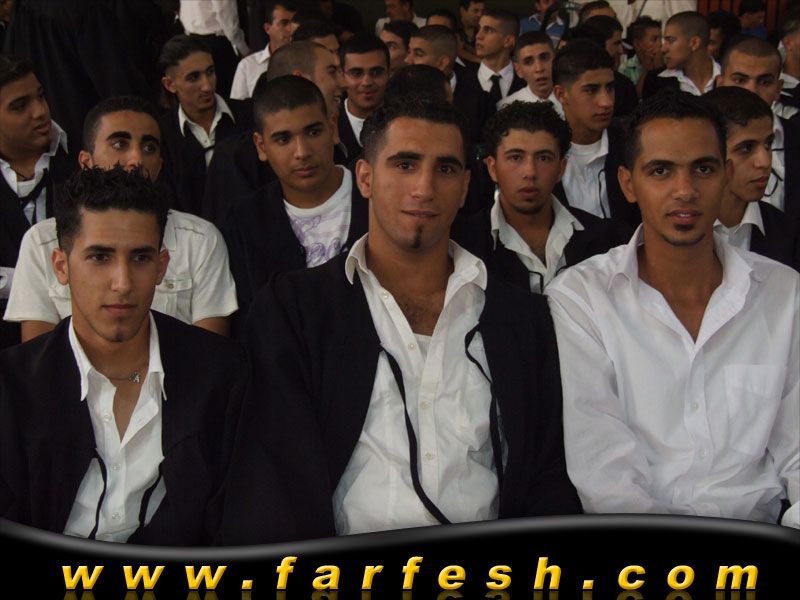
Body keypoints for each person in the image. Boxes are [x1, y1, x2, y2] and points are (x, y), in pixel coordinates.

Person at [219, 95, 581, 544]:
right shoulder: (295, 311)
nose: (424, 188)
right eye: (405, 164)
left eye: (445, 169)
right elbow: (271, 479)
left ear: (465, 187)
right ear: (365, 177)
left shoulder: (522, 320)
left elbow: (548, 475)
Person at [548, 92, 799, 528]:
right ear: (628, 184)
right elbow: (605, 474)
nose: (685, 191)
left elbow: (796, 450)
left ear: (725, 175)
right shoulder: (582, 298)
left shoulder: (782, 293)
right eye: (661, 171)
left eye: (703, 169)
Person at [0, 166, 247, 544]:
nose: (123, 282)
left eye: (140, 258)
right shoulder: (12, 388)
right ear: (61, 267)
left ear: (162, 266)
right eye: (100, 257)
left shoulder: (222, 376)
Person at [4, 95, 237, 341]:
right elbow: (39, 356)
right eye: (119, 144)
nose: (136, 159)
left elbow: (209, 353)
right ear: (86, 162)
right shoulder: (41, 242)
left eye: (149, 148)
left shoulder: (200, 240)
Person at [222, 75, 366, 335]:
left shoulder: (375, 198)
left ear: (333, 128)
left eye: (313, 132)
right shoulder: (245, 223)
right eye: (283, 139)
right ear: (261, 146)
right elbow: (252, 326)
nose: (302, 152)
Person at [454, 101, 632, 294]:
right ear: (492, 168)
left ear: (561, 169)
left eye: (543, 158)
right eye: (515, 157)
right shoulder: (462, 245)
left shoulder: (608, 240)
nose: (530, 172)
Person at [203, 39, 347, 226]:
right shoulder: (235, 158)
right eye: (332, 72)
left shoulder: (348, 140)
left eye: (314, 133)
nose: (343, 82)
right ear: (261, 146)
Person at [0, 55, 75, 348]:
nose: (40, 112)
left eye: (40, 96)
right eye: (20, 106)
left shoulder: (84, 156)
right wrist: (31, 280)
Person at [703, 86, 799, 270]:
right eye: (746, 148)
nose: (764, 161)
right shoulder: (676, 227)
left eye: (768, 144)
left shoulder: (789, 234)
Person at [157, 34, 249, 216]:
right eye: (193, 78)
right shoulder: (162, 135)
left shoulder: (248, 115)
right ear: (170, 84)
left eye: (210, 72)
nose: (207, 86)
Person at [553, 40, 641, 227]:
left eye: (610, 88)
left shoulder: (633, 146)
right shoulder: (544, 156)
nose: (606, 101)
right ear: (561, 94)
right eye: (591, 90)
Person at [715, 35, 800, 223]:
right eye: (740, 80)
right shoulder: (697, 137)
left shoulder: (795, 137)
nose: (751, 91)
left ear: (779, 88)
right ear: (720, 83)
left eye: (764, 82)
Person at [405, 25, 492, 145]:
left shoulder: (480, 102)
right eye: (409, 52)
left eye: (418, 54)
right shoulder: (397, 94)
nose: (407, 60)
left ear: (442, 63)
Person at [178, 0, 250, 98]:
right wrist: (243, 49)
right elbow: (225, 15)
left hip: (192, 39)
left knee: (204, 92)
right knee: (227, 93)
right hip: (216, 44)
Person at [643, 11, 719, 99]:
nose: (663, 49)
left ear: (694, 43)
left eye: (670, 40)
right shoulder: (656, 81)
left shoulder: (726, 76)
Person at [229, 1, 297, 100]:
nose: (291, 29)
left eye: (294, 23)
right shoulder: (247, 66)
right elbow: (238, 105)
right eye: (284, 23)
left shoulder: (305, 60)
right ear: (267, 28)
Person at [338, 35, 390, 158]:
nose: (366, 82)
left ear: (389, 73)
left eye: (376, 72)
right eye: (356, 73)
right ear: (341, 76)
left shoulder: (405, 121)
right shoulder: (328, 126)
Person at [500, 31, 562, 117]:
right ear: (518, 70)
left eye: (544, 58)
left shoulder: (575, 98)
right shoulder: (506, 109)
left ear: (556, 59)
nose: (539, 68)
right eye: (528, 62)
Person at [476, 9, 526, 108]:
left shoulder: (526, 81)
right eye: (479, 29)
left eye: (489, 30)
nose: (478, 36)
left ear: (508, 41)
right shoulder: (460, 81)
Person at [618, 17, 663, 96]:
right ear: (638, 44)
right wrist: (646, 71)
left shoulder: (668, 63)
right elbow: (634, 97)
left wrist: (661, 67)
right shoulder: (625, 68)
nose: (660, 44)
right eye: (654, 39)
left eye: (661, 38)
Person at [457, 0, 485, 66]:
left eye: (482, 11)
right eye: (475, 11)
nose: (480, 15)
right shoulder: (453, 28)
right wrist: (479, 60)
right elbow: (455, 50)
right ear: (462, 11)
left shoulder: (484, 29)